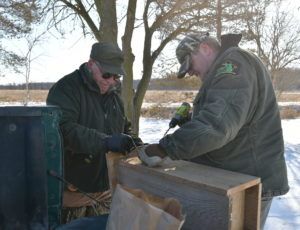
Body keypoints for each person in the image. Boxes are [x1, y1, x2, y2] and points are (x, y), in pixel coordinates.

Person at [144, 33, 289, 229]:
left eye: (190, 63)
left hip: (247, 182)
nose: (190, 72)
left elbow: (217, 125)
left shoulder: (233, 64)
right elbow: (229, 119)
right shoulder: (226, 69)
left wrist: (166, 148)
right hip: (234, 176)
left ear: (205, 48)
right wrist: (192, 123)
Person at [47, 42, 142, 223]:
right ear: (91, 64)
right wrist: (105, 141)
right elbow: (63, 129)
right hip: (74, 192)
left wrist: (137, 145)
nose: (110, 80)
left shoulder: (114, 96)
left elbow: (124, 128)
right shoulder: (66, 89)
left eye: (116, 76)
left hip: (106, 189)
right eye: (106, 74)